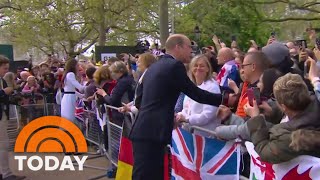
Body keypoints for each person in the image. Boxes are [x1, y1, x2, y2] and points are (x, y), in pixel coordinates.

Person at [129, 34, 223, 180]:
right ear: (178, 47)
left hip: (145, 130)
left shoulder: (154, 66)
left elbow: (139, 100)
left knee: (145, 174)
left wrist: (164, 116)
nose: (191, 51)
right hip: (153, 133)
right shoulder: (174, 66)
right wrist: (223, 98)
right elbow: (194, 93)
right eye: (188, 47)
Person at [245, 73, 320, 163]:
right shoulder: (316, 101)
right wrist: (273, 112)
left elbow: (264, 151)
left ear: (283, 107)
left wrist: (255, 118)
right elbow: (298, 114)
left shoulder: (291, 138)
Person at [175, 55, 221, 137]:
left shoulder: (212, 87)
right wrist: (180, 115)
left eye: (202, 66)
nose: (198, 68)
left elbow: (208, 115)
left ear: (208, 69)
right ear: (191, 69)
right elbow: (186, 109)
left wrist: (187, 119)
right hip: (189, 132)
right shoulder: (192, 86)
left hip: (205, 135)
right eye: (195, 65)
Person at [0, 55, 26, 180]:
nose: (6, 71)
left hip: (3, 113)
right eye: (4, 68)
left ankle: (4, 172)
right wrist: (5, 92)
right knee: (3, 145)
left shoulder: (2, 80)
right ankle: (6, 174)